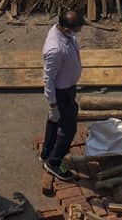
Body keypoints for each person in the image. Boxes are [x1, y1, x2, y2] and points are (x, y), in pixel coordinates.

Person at [41, 10, 84, 181]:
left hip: (68, 88)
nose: (78, 33)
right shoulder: (55, 49)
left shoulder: (64, 35)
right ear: (66, 29)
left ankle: (47, 151)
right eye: (76, 30)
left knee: (54, 120)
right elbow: (48, 79)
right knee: (68, 128)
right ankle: (54, 162)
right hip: (61, 93)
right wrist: (52, 104)